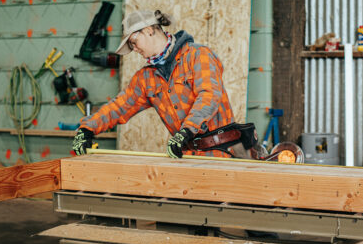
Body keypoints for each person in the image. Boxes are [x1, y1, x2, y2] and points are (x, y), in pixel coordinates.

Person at [72, 9, 262, 159]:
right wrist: (88, 128)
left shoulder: (197, 55)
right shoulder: (146, 78)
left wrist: (187, 129)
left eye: (133, 42)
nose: (134, 49)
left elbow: (209, 95)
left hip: (226, 153)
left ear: (148, 30)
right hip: (189, 157)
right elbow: (120, 106)